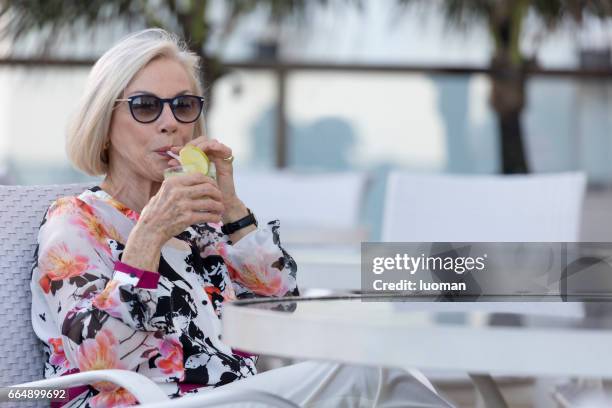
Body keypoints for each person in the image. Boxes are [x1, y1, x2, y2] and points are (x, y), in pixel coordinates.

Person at [30, 28, 453, 408]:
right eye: (144, 107)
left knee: (389, 375)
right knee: (365, 373)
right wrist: (149, 236)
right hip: (146, 402)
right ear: (104, 123)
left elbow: (282, 305)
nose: (169, 123)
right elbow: (97, 355)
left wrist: (231, 206)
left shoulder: (200, 224)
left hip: (233, 397)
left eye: (183, 105)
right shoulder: (76, 222)